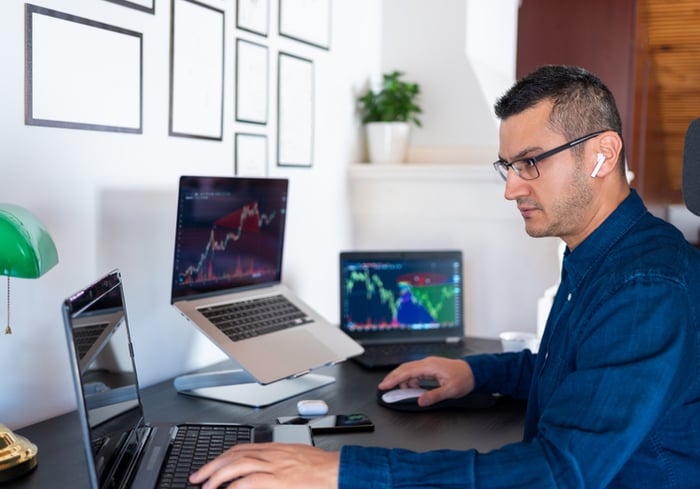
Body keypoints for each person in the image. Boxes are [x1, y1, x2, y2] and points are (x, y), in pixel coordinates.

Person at [189, 65, 700, 488]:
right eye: (508, 166)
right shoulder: (603, 253)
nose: (511, 189)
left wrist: (341, 471)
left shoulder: (644, 284)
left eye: (530, 163)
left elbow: (558, 473)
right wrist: (475, 373)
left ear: (602, 155)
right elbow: (580, 369)